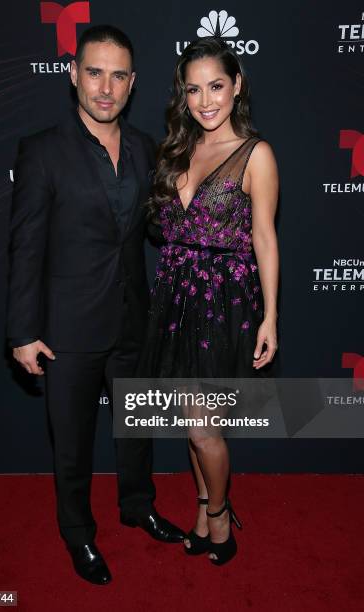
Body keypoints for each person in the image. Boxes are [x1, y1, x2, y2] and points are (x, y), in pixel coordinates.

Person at [6, 25, 184, 586]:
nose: (105, 88)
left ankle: (137, 505)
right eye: (94, 72)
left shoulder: (144, 148)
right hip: (68, 328)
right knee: (73, 443)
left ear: (132, 84)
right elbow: (26, 245)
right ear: (73, 74)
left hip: (134, 318)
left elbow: (154, 228)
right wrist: (22, 330)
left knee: (137, 428)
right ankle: (78, 535)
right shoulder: (41, 150)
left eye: (118, 76)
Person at [139, 37, 279, 566]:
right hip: (175, 291)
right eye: (194, 89)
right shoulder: (178, 147)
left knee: (203, 425)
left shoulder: (256, 154)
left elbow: (265, 236)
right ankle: (202, 508)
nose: (205, 100)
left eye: (216, 86)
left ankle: (220, 515)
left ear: (237, 85)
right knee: (189, 423)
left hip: (224, 298)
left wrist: (271, 316)